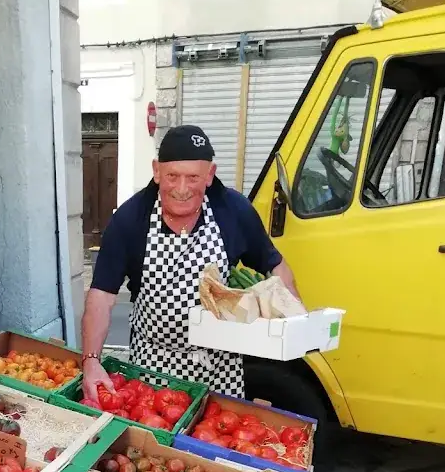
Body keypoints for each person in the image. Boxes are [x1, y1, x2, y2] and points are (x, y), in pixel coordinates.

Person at [81, 124, 298, 402]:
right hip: (153, 368)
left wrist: (295, 316)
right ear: (156, 171)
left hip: (221, 370)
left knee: (218, 429)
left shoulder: (233, 210)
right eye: (172, 176)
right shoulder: (130, 219)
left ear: (210, 174)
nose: (182, 189)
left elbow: (275, 265)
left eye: (193, 177)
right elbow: (102, 295)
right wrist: (91, 360)